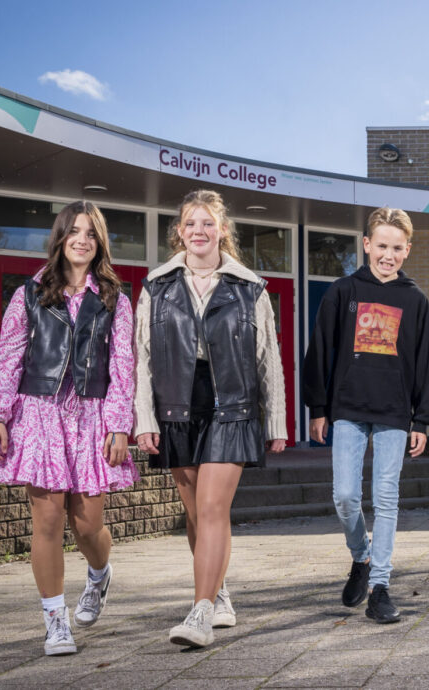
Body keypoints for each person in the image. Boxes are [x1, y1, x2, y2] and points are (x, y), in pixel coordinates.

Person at [0, 200, 138, 656]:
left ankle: (99, 574)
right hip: (40, 414)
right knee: (47, 520)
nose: (82, 240)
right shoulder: (29, 293)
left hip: (91, 416)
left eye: (90, 233)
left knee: (88, 526)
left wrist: (118, 425)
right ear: (60, 238)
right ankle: (55, 621)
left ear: (99, 241)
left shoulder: (114, 299)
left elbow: (123, 367)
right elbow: (8, 356)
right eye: (74, 231)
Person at [134, 189, 287, 648]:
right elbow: (140, 358)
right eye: (190, 224)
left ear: (222, 230)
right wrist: (145, 418)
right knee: (195, 515)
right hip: (177, 403)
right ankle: (219, 591)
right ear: (179, 232)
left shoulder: (249, 288)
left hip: (233, 403)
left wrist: (275, 422)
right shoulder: (156, 287)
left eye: (208, 223)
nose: (199, 231)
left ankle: (199, 612)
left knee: (213, 508)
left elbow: (269, 359)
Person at [304, 207, 429, 625]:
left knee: (386, 497)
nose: (388, 255)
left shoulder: (414, 300)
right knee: (344, 495)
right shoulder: (343, 292)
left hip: (395, 411)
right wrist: (318, 408)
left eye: (397, 248)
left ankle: (380, 586)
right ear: (366, 245)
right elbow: (320, 352)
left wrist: (423, 420)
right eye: (381, 246)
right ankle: (360, 555)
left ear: (407, 250)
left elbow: (426, 362)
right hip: (347, 409)